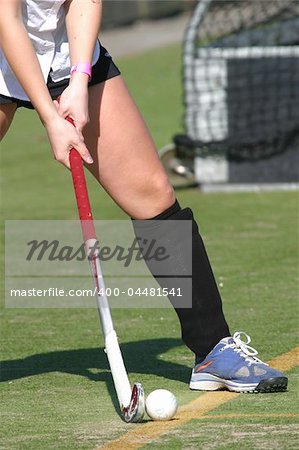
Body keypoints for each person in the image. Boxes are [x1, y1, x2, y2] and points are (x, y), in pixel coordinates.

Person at [0, 0, 287, 393]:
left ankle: (213, 351)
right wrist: (51, 119)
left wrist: (80, 80)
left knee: (153, 195)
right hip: (4, 47)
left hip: (68, 57)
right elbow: (7, 18)